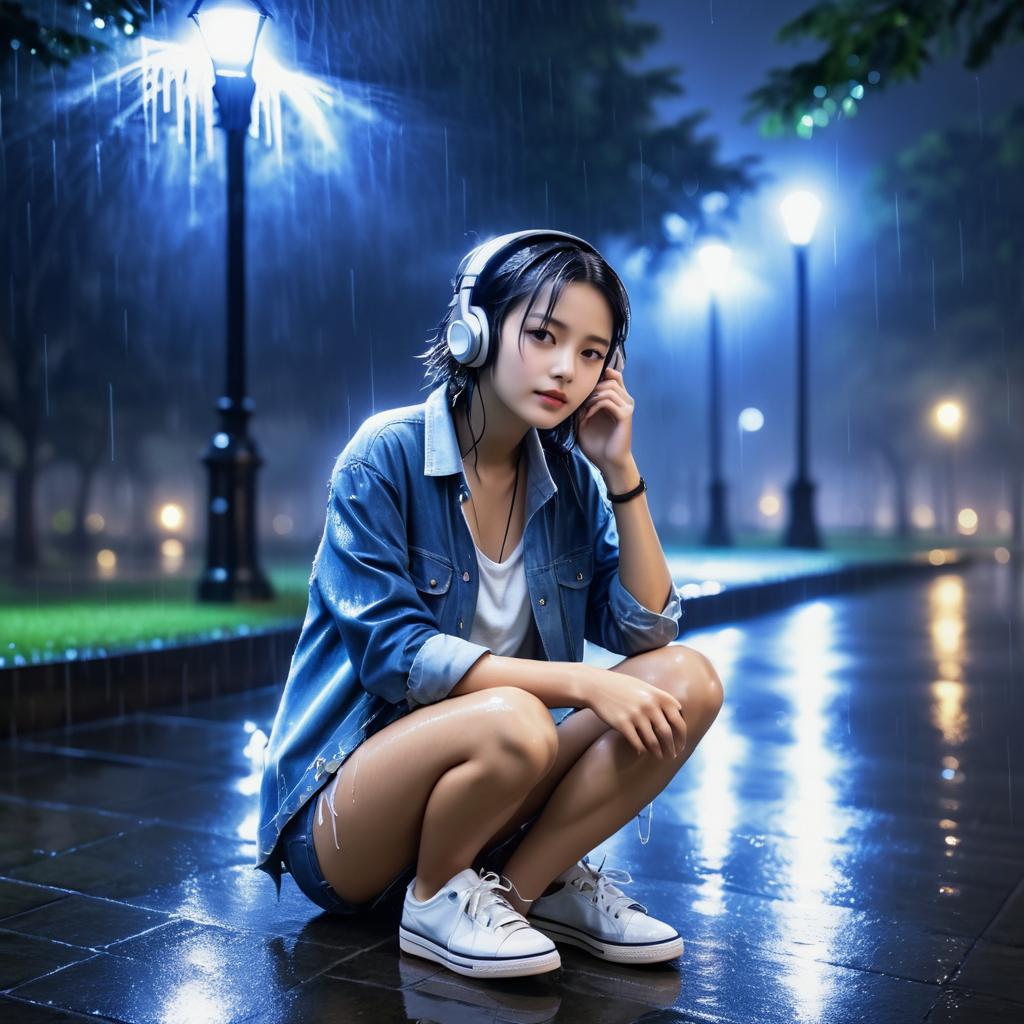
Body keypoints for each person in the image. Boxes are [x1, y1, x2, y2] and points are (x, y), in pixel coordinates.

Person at [255, 229, 724, 980]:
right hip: (348, 820)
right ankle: (436, 895)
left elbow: (646, 628)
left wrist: (621, 472)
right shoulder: (388, 455)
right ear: (475, 329)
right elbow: (398, 657)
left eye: (593, 352)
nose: (566, 368)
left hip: (499, 788)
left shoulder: (572, 482)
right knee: (518, 719)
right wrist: (580, 684)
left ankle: (521, 889)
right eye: (543, 335)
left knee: (688, 680)